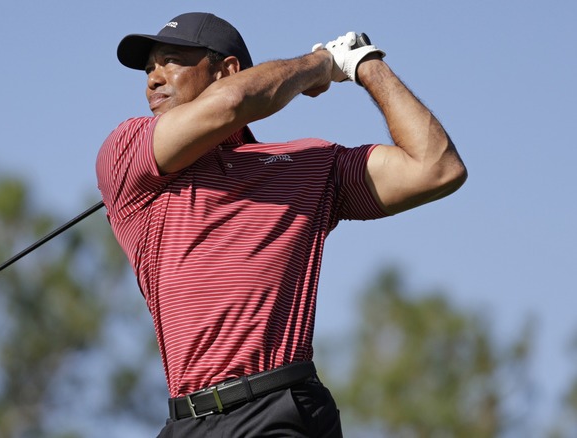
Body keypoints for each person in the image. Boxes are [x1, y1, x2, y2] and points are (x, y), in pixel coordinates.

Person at [96, 12, 466, 437]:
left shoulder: (308, 165)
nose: (153, 80)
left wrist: (364, 64)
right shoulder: (127, 155)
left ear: (226, 70)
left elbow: (436, 167)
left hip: (280, 410)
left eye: (171, 61)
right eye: (148, 70)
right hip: (186, 422)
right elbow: (230, 105)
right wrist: (321, 64)